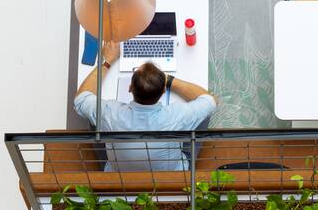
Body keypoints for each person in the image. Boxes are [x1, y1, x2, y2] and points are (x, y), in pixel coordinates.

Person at [74, 41, 216, 171]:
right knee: (202, 115)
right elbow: (210, 100)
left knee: (93, 114)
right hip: (172, 174)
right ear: (163, 91)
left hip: (119, 173)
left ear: (130, 88)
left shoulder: (111, 113)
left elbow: (80, 99)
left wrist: (107, 61)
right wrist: (166, 80)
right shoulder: (176, 115)